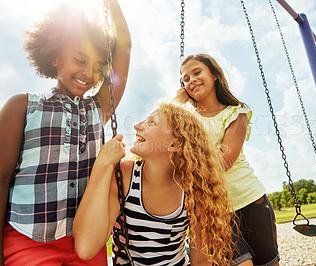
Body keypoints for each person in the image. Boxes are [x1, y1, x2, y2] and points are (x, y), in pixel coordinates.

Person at [0, 0, 131, 265]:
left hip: (87, 242)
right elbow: (1, 180)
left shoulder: (99, 108)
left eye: (97, 67)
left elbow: (124, 45)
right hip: (28, 240)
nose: (88, 73)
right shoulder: (23, 106)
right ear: (54, 57)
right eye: (79, 60)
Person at [73, 102, 234, 265]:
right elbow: (86, 248)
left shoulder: (193, 189)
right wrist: (102, 164)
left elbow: (201, 260)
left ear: (174, 144)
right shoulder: (125, 176)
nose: (137, 126)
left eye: (152, 122)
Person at [175, 53, 280, 266]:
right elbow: (159, 127)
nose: (191, 80)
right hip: (215, 210)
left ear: (213, 75)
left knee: (268, 264)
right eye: (185, 79)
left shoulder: (235, 113)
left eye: (197, 73)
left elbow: (225, 160)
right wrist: (176, 102)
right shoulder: (184, 118)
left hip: (251, 199)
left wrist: (189, 162)